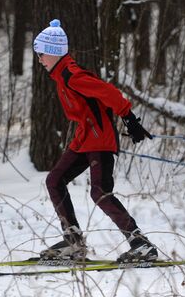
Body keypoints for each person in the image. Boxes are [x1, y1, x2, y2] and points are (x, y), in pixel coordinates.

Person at [33, 19, 157, 263]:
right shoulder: (62, 75)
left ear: (54, 51)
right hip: (84, 139)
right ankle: (73, 242)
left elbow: (108, 93)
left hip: (99, 138)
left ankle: (141, 245)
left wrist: (129, 119)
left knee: (100, 193)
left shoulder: (72, 75)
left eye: (41, 54)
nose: (40, 60)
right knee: (55, 180)